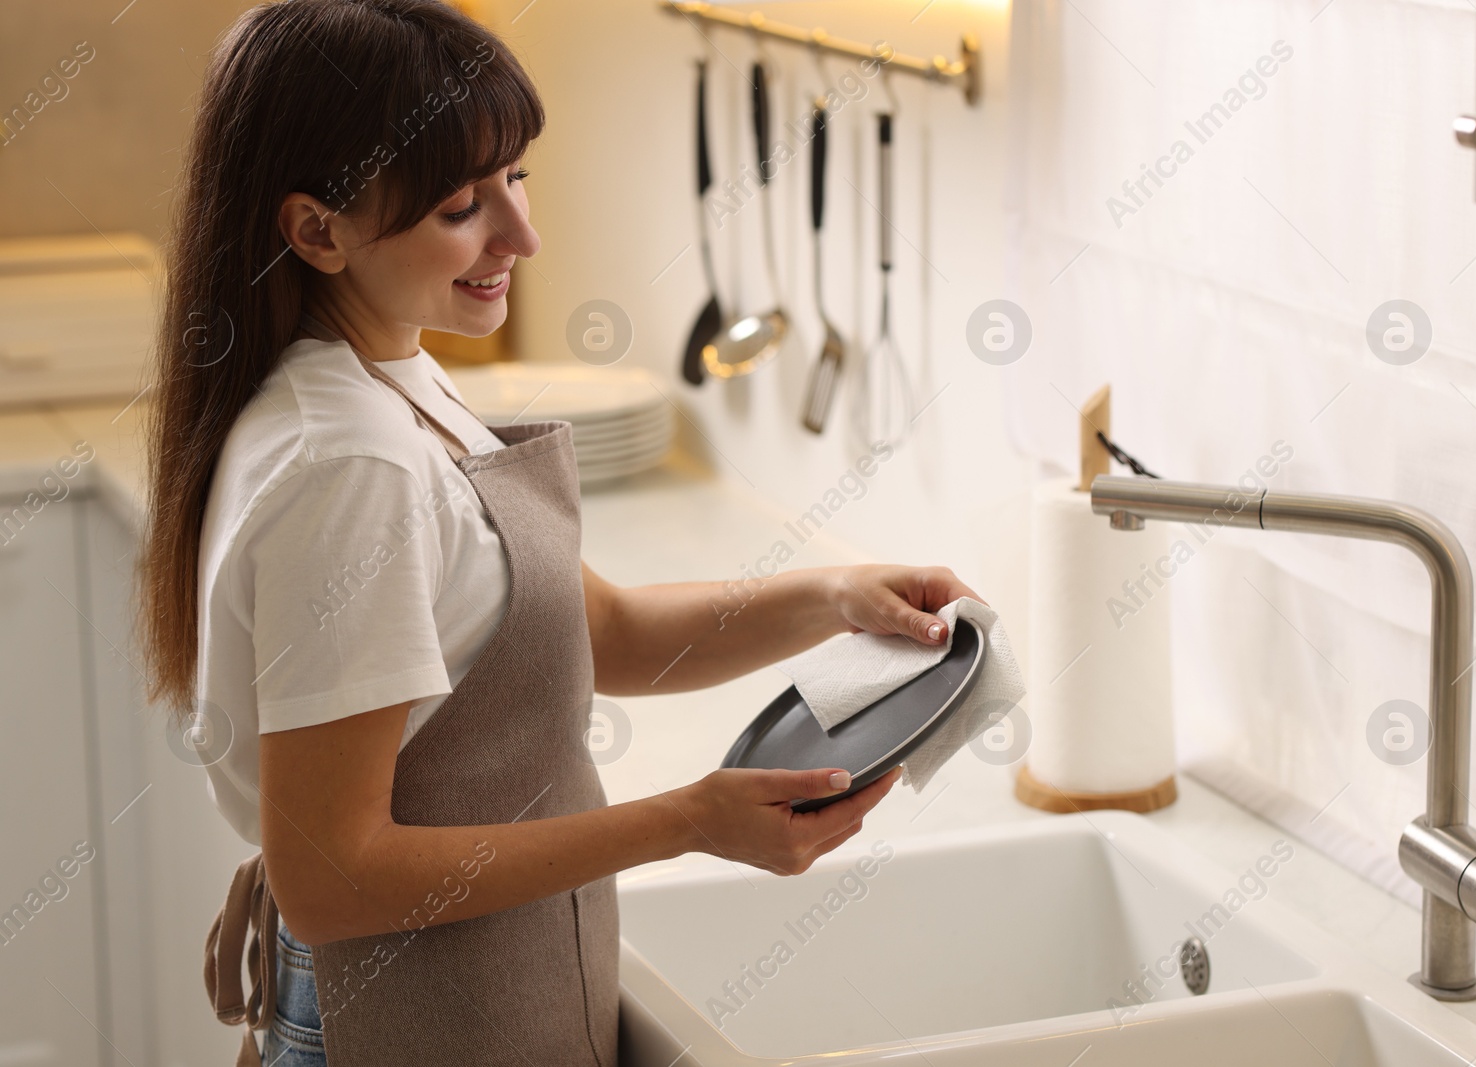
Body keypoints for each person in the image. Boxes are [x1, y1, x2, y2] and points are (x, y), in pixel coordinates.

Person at [135, 2, 983, 1064]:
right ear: (317, 229)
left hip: (479, 981)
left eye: (514, 179)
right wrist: (688, 818)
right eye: (459, 207)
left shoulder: (390, 375)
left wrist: (830, 596)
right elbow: (333, 873)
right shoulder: (345, 465)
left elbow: (611, 632)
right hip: (398, 1012)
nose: (521, 235)